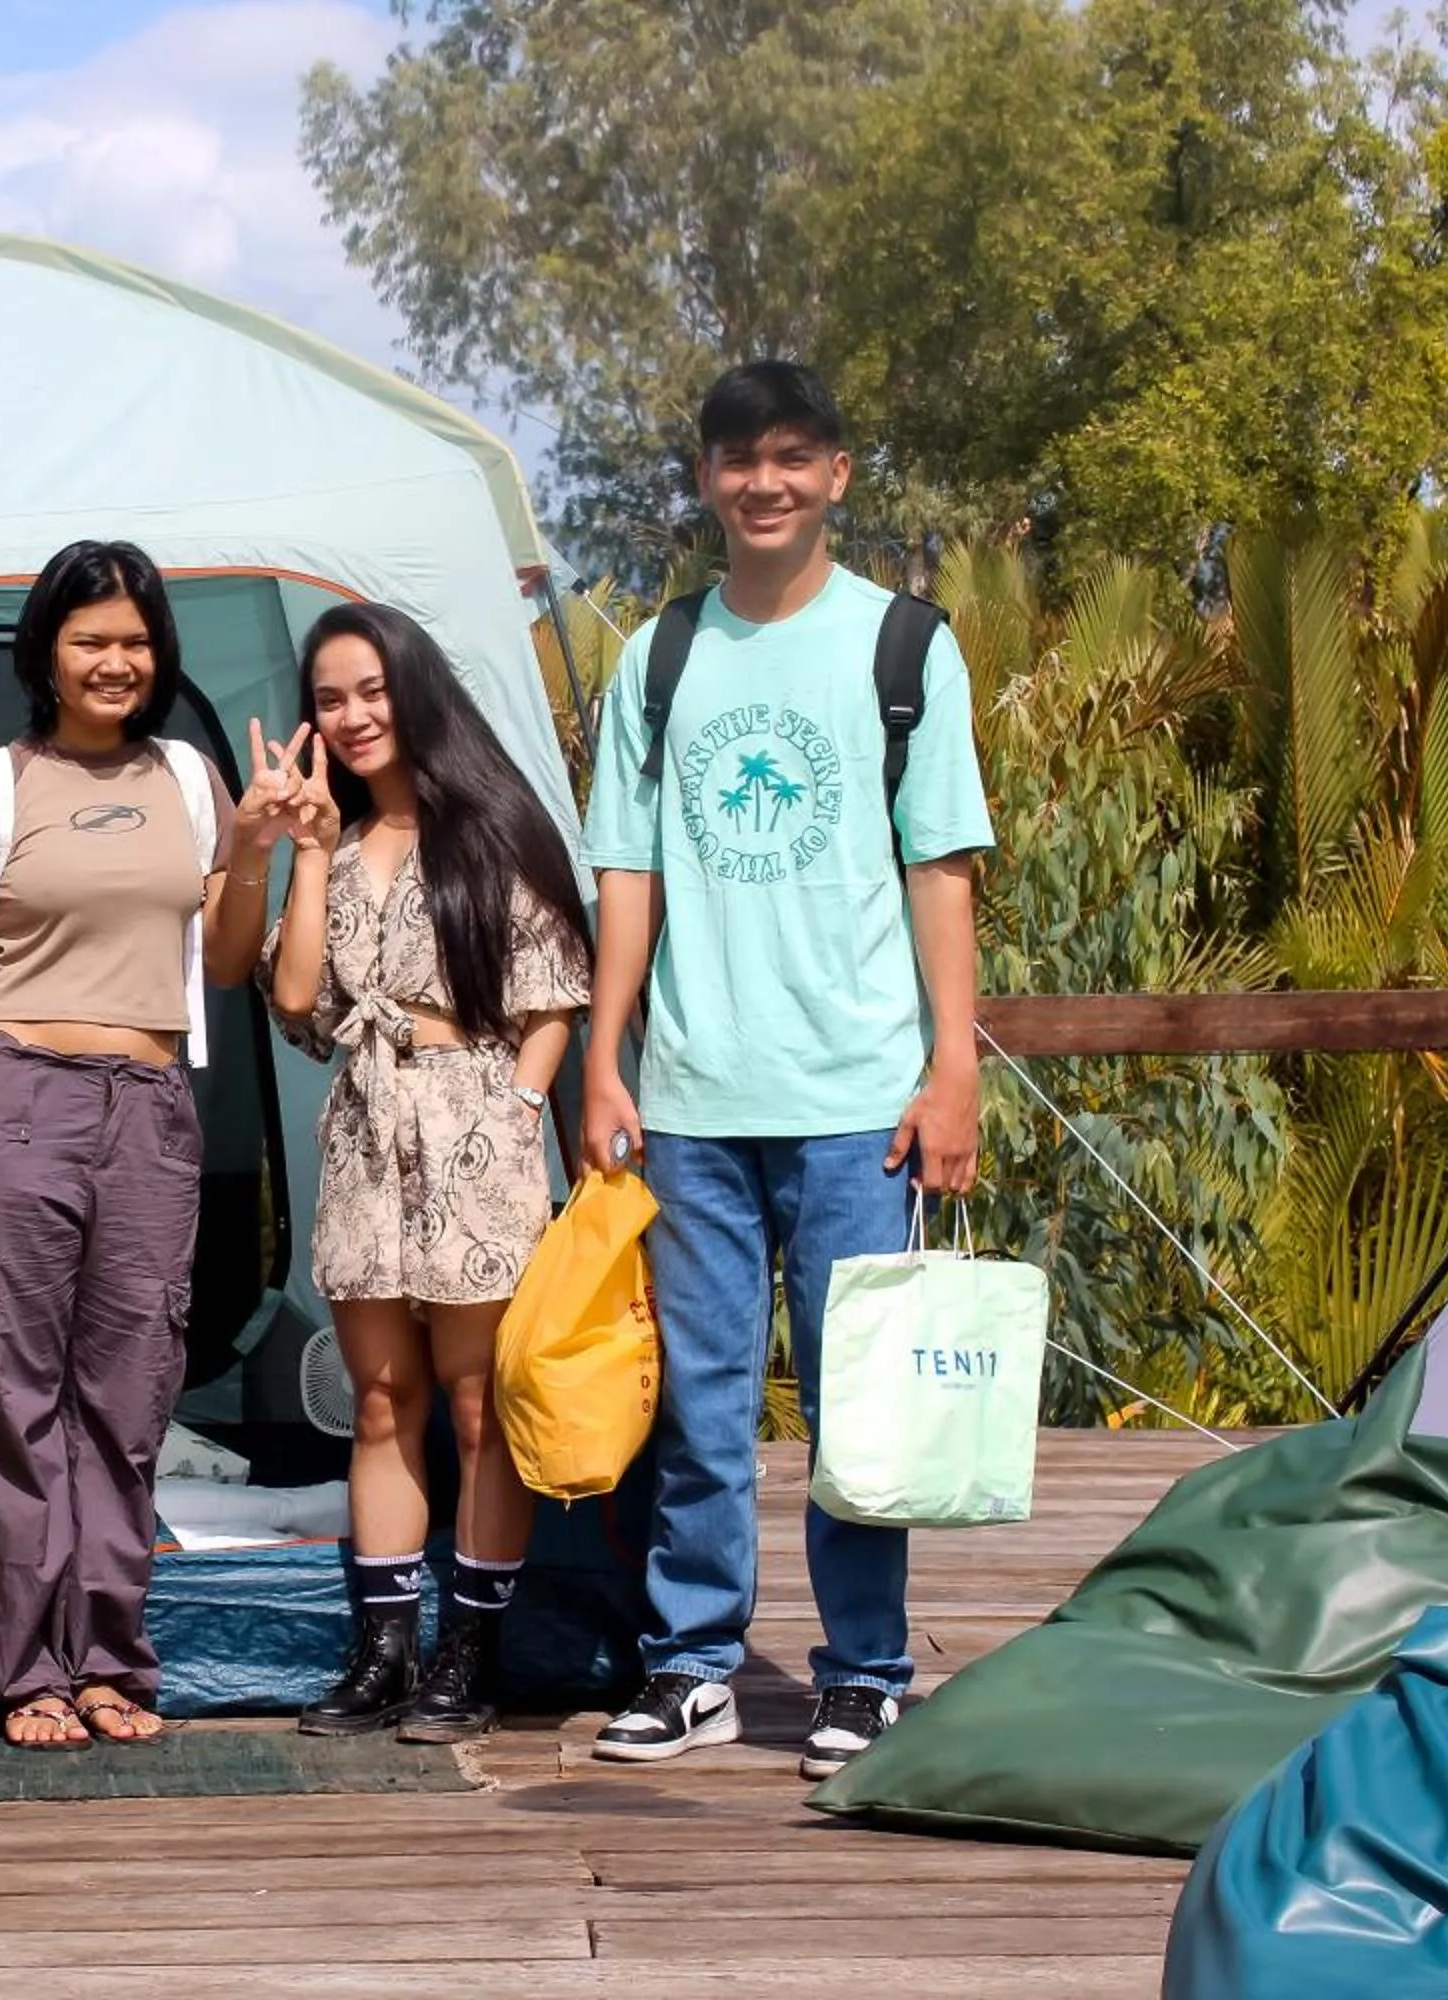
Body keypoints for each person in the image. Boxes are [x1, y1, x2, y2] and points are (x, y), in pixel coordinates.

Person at [577, 361, 992, 1781]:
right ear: (705, 479)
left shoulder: (904, 645)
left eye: (793, 457)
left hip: (860, 1104)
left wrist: (952, 1065)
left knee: (855, 1410)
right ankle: (691, 1661)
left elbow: (941, 868)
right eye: (739, 460)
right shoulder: (660, 655)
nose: (766, 483)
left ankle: (863, 1675)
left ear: (837, 475)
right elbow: (625, 869)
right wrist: (606, 1056)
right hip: (692, 1095)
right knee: (698, 1407)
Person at [0, 539, 287, 1750]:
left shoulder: (190, 778)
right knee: (12, 1391)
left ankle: (112, 1659)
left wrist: (257, 847)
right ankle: (25, 1671)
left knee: (128, 1396)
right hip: (16, 1097)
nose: (114, 661)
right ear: (47, 651)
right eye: (90, 640)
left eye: (134, 640)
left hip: (152, 1103)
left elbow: (225, 958)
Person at [258, 602, 591, 1743]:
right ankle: (385, 1650)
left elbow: (554, 993)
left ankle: (473, 1648)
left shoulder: (491, 827)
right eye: (330, 699)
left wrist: (519, 1107)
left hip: (477, 1128)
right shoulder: (340, 846)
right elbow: (297, 1003)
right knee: (381, 1400)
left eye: (371, 690)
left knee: (479, 1400)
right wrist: (307, 851)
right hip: (366, 1133)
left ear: (415, 689)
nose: (353, 716)